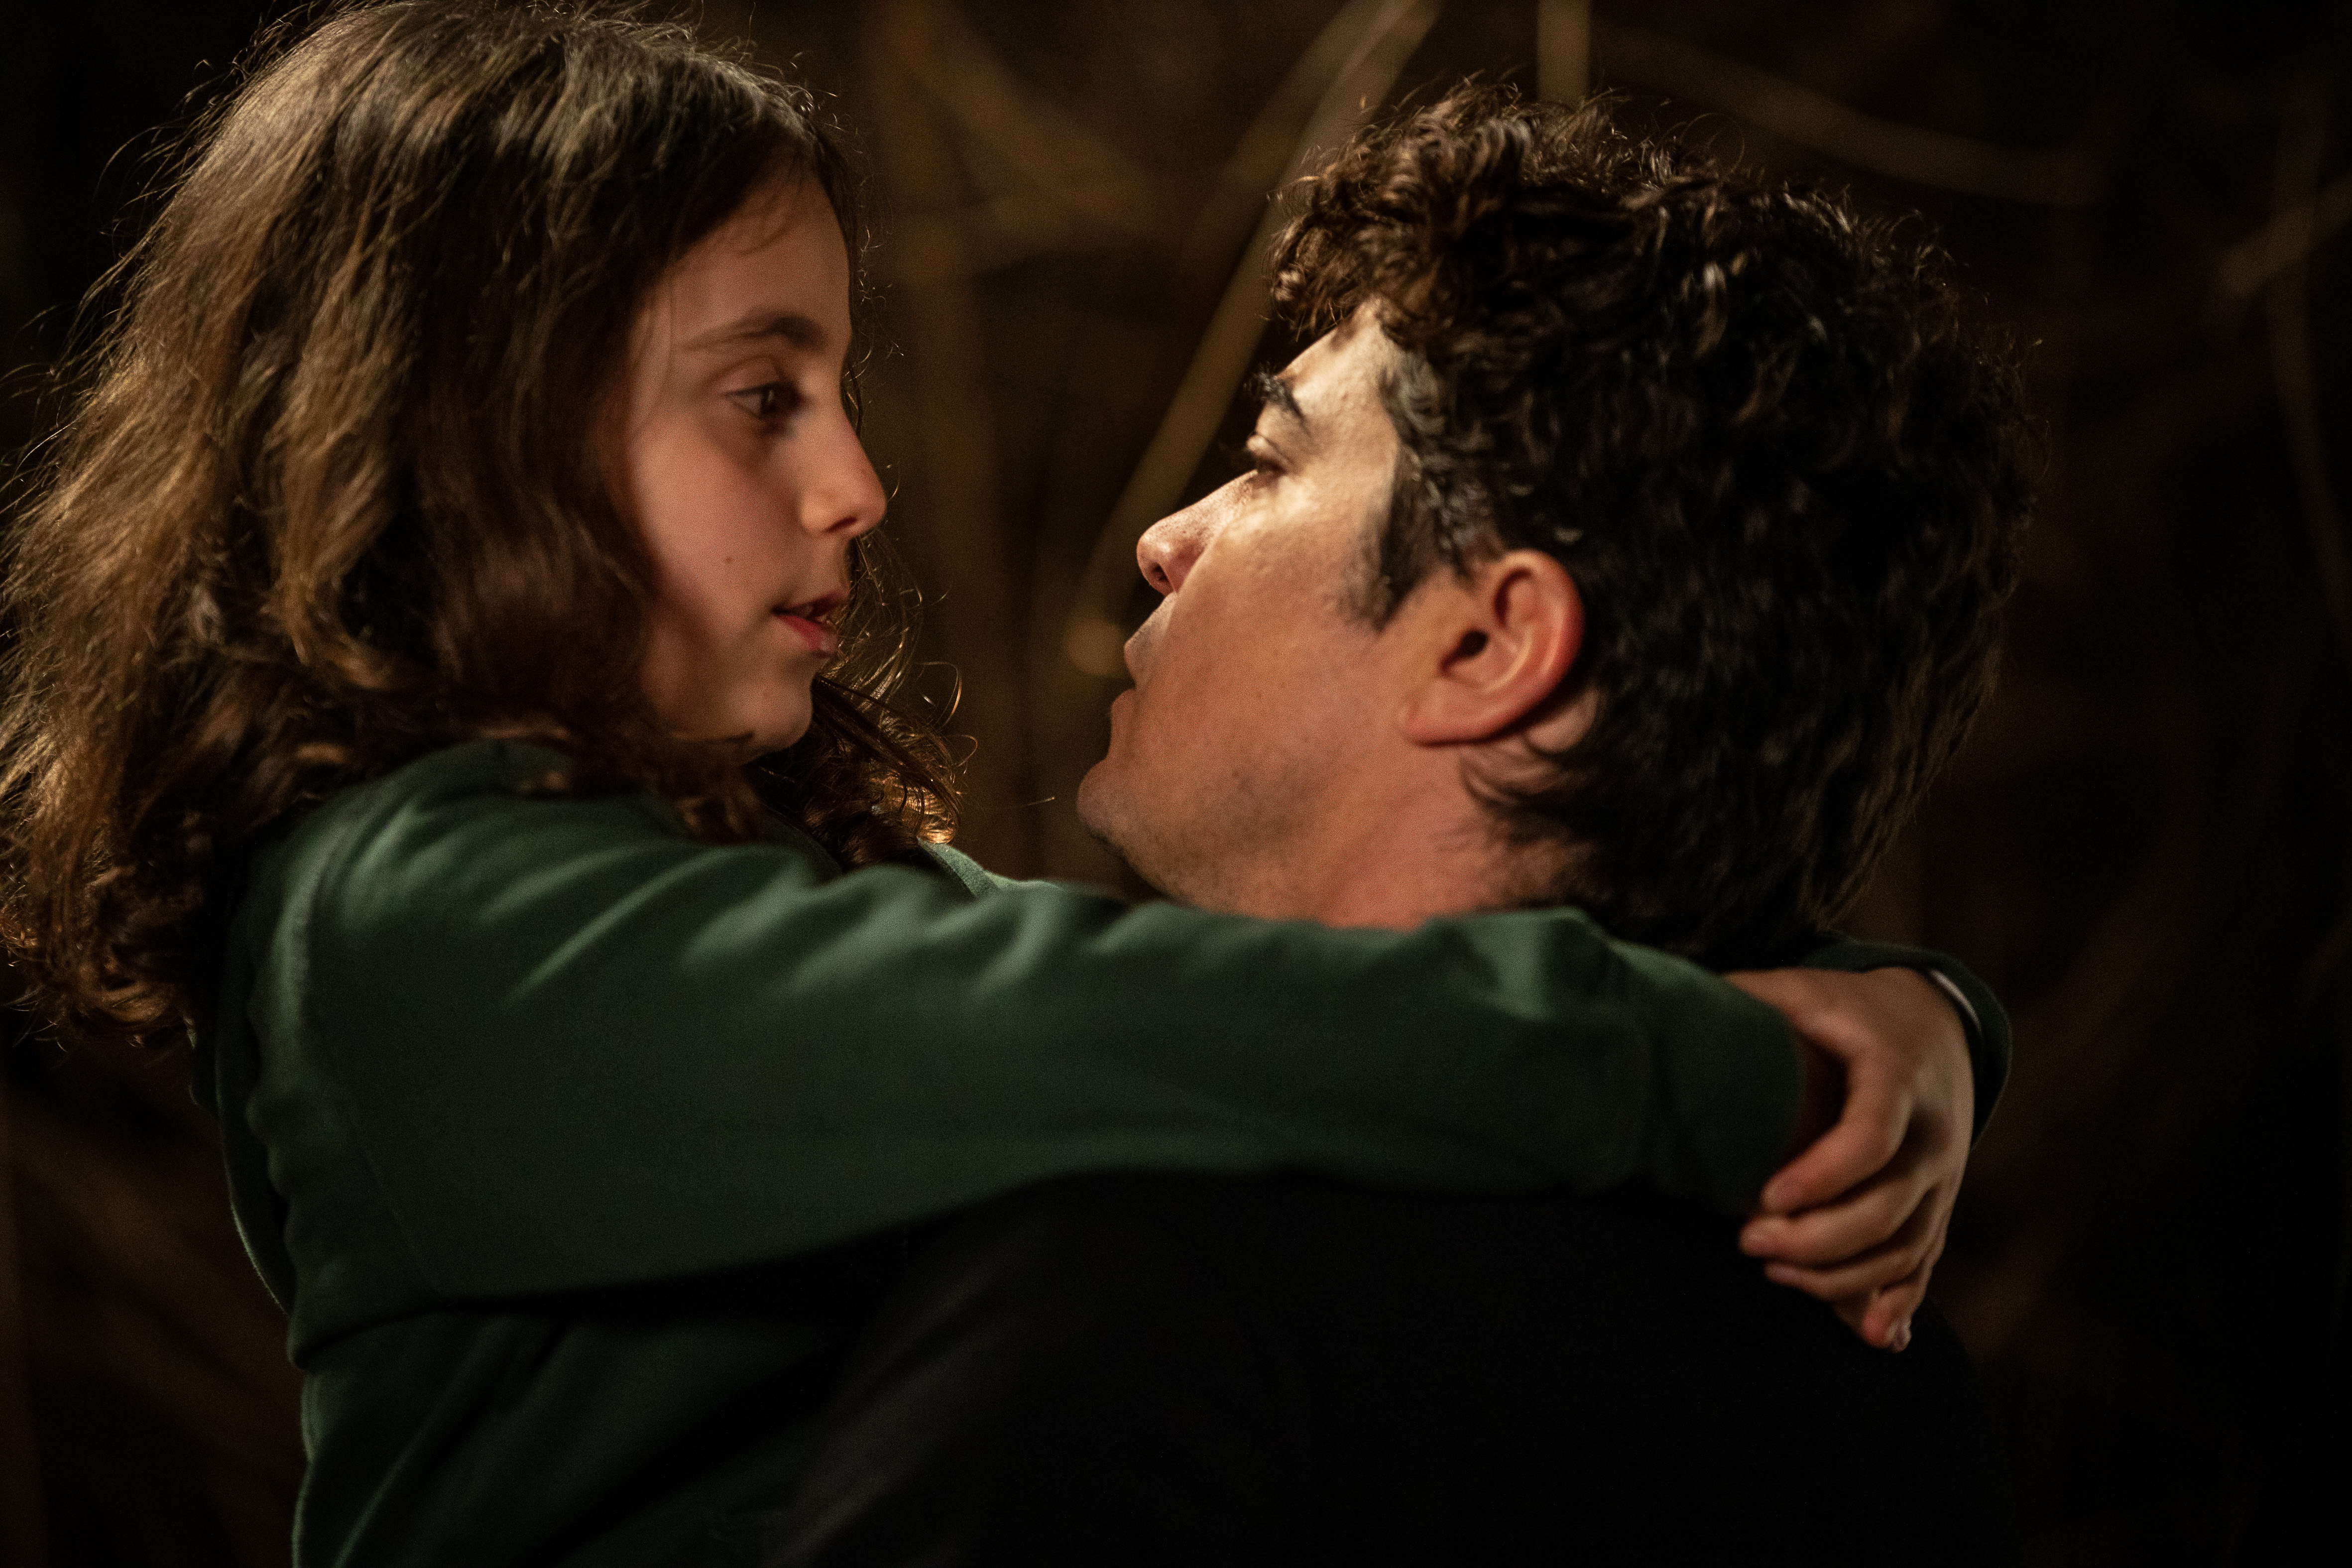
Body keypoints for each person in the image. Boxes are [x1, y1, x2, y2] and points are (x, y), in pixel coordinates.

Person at [0, 8, 1999, 1566]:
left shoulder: (923, 1043)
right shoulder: (409, 931)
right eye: (762, 397)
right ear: (471, 440)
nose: (857, 484)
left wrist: (1889, 1014)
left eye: (1270, 460)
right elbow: (1087, 1016)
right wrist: (1755, 1050)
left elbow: (1116, 1014)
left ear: (1493, 646)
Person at [770, 87, 2033, 1565]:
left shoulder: (1133, 1307)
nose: (1166, 539)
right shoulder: (1888, 1398)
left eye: (1267, 463)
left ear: (1489, 647)